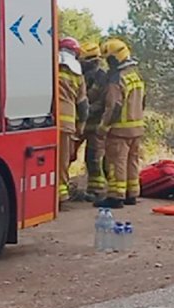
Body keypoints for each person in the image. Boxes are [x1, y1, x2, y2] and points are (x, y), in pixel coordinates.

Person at [96, 38, 146, 209]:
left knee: (116, 162)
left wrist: (104, 127)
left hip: (119, 130)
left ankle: (116, 196)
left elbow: (114, 106)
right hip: (136, 128)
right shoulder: (135, 75)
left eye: (108, 59)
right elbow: (143, 101)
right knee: (132, 161)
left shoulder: (116, 78)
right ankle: (131, 194)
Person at [56, 37, 89, 206]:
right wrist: (81, 125)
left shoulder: (52, 68)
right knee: (62, 162)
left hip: (47, 123)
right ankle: (60, 198)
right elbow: (83, 105)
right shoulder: (78, 75)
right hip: (66, 124)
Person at [79, 41, 108, 200]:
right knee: (67, 156)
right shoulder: (79, 75)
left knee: (93, 158)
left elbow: (103, 102)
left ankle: (96, 191)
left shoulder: (102, 77)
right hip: (80, 123)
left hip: (95, 125)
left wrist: (87, 111)